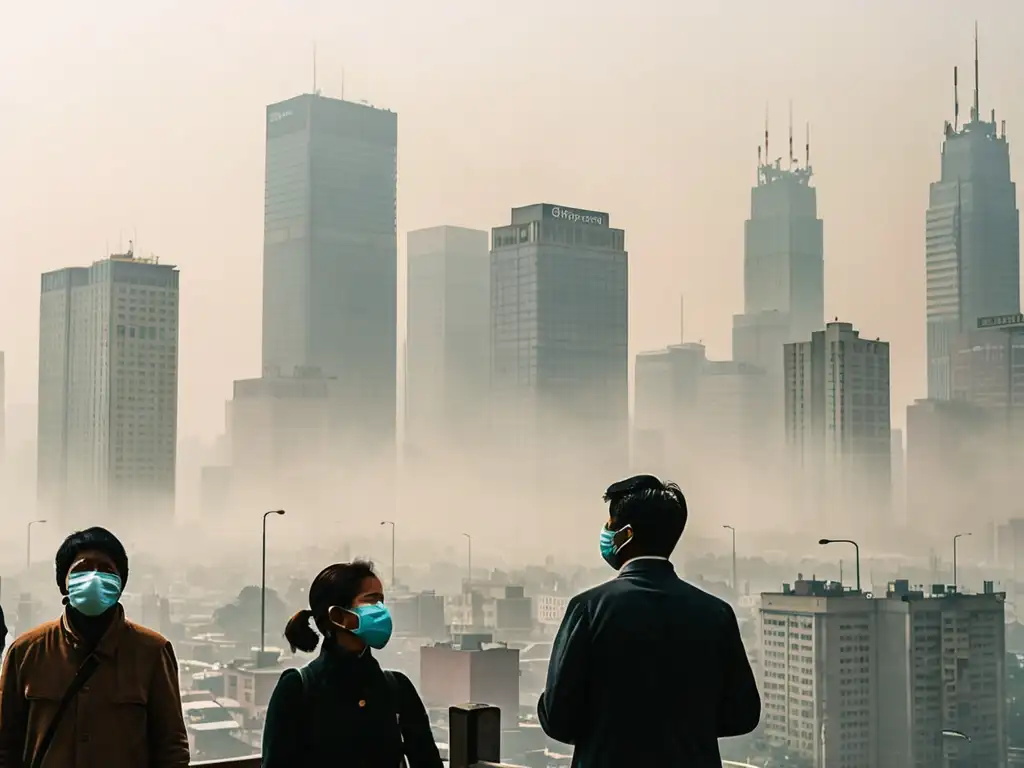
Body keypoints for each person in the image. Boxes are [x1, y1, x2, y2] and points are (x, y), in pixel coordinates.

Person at [538, 475, 761, 767]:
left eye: (609, 526)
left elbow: (558, 719)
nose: (605, 534)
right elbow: (743, 714)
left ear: (626, 535)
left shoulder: (588, 610)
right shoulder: (716, 614)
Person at [0, 526, 190, 768]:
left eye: (106, 569)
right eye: (82, 568)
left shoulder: (152, 652)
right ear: (63, 583)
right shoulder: (25, 652)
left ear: (120, 584)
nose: (94, 577)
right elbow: (6, 745)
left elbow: (171, 748)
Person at [262, 560, 443, 768]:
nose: (381, 611)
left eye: (382, 602)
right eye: (371, 602)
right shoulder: (296, 689)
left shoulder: (397, 688)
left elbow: (428, 761)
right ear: (339, 616)